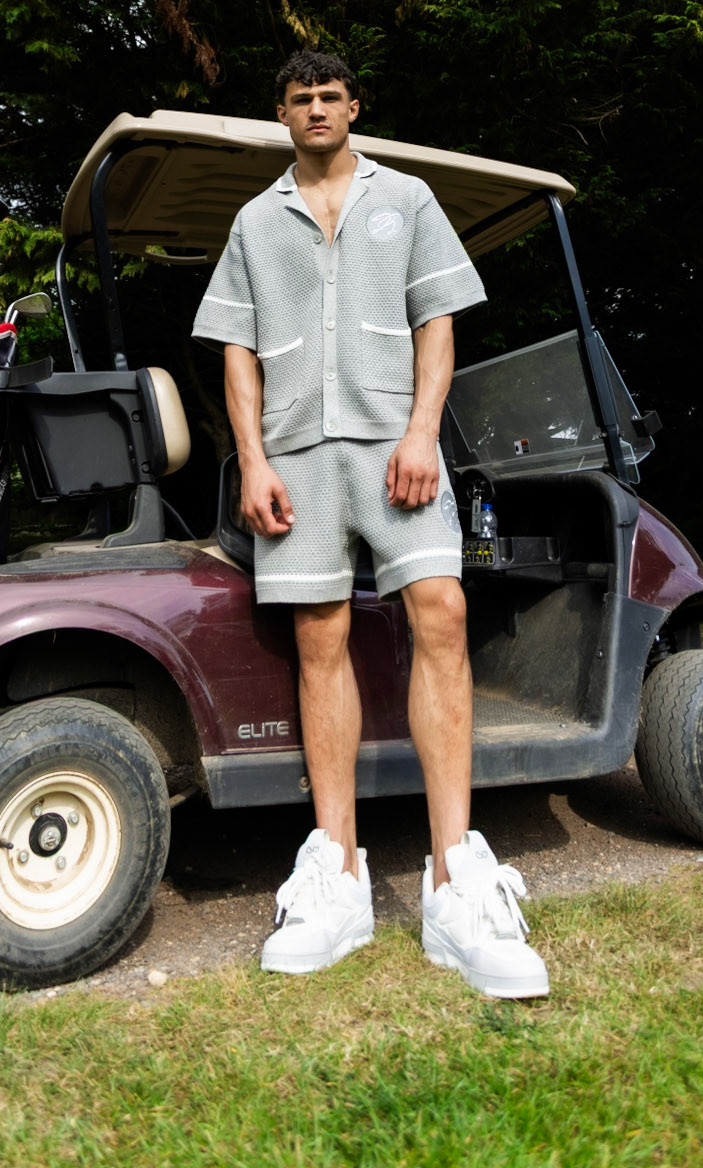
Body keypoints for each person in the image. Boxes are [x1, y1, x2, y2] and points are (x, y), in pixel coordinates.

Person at [192, 50, 548, 999]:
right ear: (282, 113)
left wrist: (423, 431)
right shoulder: (254, 221)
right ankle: (337, 874)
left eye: (329, 96)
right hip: (297, 458)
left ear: (354, 107)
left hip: (399, 449)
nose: (316, 108)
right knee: (321, 636)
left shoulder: (409, 200)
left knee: (442, 611)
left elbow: (439, 322)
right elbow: (236, 349)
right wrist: (254, 459)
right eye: (299, 98)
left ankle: (454, 877)